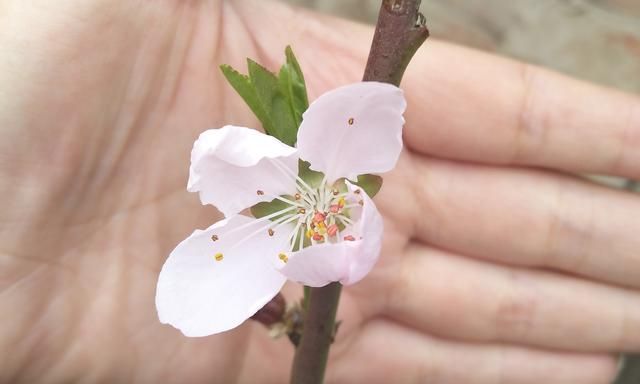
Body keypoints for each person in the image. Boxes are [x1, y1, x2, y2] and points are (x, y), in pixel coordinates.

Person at [1, 1, 638, 383]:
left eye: (325, 211)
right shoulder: (263, 208)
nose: (319, 213)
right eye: (315, 210)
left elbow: (369, 111)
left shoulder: (347, 145)